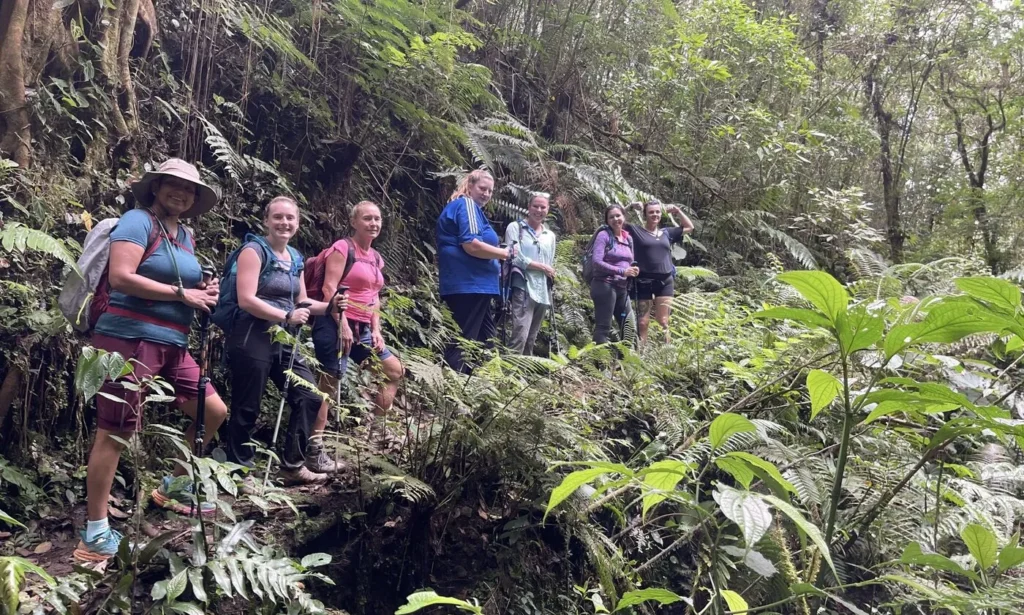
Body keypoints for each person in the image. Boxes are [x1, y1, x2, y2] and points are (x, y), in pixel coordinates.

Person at [75, 158, 227, 562]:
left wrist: (203, 291)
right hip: (127, 340)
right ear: (156, 188)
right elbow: (122, 276)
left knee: (212, 410)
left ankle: (171, 489)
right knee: (115, 432)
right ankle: (94, 533)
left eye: (189, 189)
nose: (181, 193)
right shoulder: (137, 221)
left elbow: (186, 287)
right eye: (173, 185)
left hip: (172, 344)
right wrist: (183, 294)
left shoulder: (185, 236)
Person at [223, 196, 346, 486]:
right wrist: (285, 315)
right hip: (251, 334)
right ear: (266, 220)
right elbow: (246, 299)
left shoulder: (294, 257)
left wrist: (329, 307)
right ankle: (238, 471)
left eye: (290, 218)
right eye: (278, 217)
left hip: (283, 338)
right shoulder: (254, 251)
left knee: (310, 396)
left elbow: (301, 300)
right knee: (247, 404)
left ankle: (293, 465)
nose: (284, 223)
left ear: (298, 223)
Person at [312, 201, 404, 447]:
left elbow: (374, 297)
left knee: (394, 370)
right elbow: (329, 287)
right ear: (354, 222)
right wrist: (341, 322)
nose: (373, 223)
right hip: (334, 323)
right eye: (367, 218)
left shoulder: (376, 258)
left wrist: (376, 330)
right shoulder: (343, 248)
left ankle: (376, 433)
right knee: (330, 381)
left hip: (362, 328)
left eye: (377, 219)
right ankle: (314, 443)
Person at [436, 169, 513, 372]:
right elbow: (471, 244)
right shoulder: (467, 204)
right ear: (469, 186)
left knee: (485, 342)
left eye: (490, 190)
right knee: (463, 340)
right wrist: (503, 254)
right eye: (482, 188)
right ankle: (452, 386)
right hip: (468, 284)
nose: (486, 194)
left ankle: (481, 390)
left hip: (477, 286)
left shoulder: (471, 209)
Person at [625, 200, 694, 344]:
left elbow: (689, 227)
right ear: (645, 215)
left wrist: (677, 210)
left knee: (663, 321)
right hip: (643, 281)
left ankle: (667, 354)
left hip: (665, 282)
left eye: (657, 212)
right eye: (651, 212)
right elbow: (616, 221)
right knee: (642, 322)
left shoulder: (667, 233)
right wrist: (630, 207)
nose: (654, 215)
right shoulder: (636, 231)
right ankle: (641, 354)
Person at [504, 193, 557, 355]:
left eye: (543, 207)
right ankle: (508, 374)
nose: (539, 210)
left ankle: (524, 373)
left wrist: (548, 271)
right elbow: (515, 257)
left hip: (543, 291)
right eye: (535, 206)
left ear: (547, 210)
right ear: (528, 207)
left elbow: (550, 261)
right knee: (520, 333)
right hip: (523, 286)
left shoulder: (550, 236)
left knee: (531, 337)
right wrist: (542, 267)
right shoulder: (515, 228)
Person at [590, 205, 639, 344]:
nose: (615, 219)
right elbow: (596, 262)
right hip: (604, 285)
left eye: (618, 215)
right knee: (603, 327)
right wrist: (622, 271)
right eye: (611, 217)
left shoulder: (628, 238)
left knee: (629, 328)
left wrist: (633, 270)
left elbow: (630, 261)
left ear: (624, 217)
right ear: (607, 220)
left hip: (622, 287)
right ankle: (600, 364)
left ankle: (625, 363)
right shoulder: (604, 235)